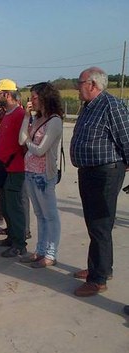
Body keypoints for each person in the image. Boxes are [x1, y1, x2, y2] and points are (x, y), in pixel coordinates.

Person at [70, 67, 129, 297]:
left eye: (80, 82)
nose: (77, 86)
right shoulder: (88, 107)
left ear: (92, 84)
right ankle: (102, 267)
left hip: (105, 173)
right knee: (95, 225)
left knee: (100, 224)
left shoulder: (110, 105)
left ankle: (98, 280)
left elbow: (126, 137)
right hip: (89, 172)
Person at [18, 82, 63, 268]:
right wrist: (26, 116)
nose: (31, 101)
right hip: (30, 172)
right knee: (40, 215)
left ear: (45, 97)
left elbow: (40, 150)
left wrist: (28, 141)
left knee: (50, 215)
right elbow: (21, 139)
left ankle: (50, 254)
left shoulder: (54, 121)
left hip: (44, 175)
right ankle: (40, 251)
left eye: (34, 97)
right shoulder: (37, 119)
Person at [0, 79, 28, 257]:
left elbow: (24, 142)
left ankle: (19, 243)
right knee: (5, 205)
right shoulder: (8, 114)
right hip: (4, 166)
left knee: (14, 206)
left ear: (8, 94)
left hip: (16, 167)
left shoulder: (20, 115)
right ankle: (12, 237)